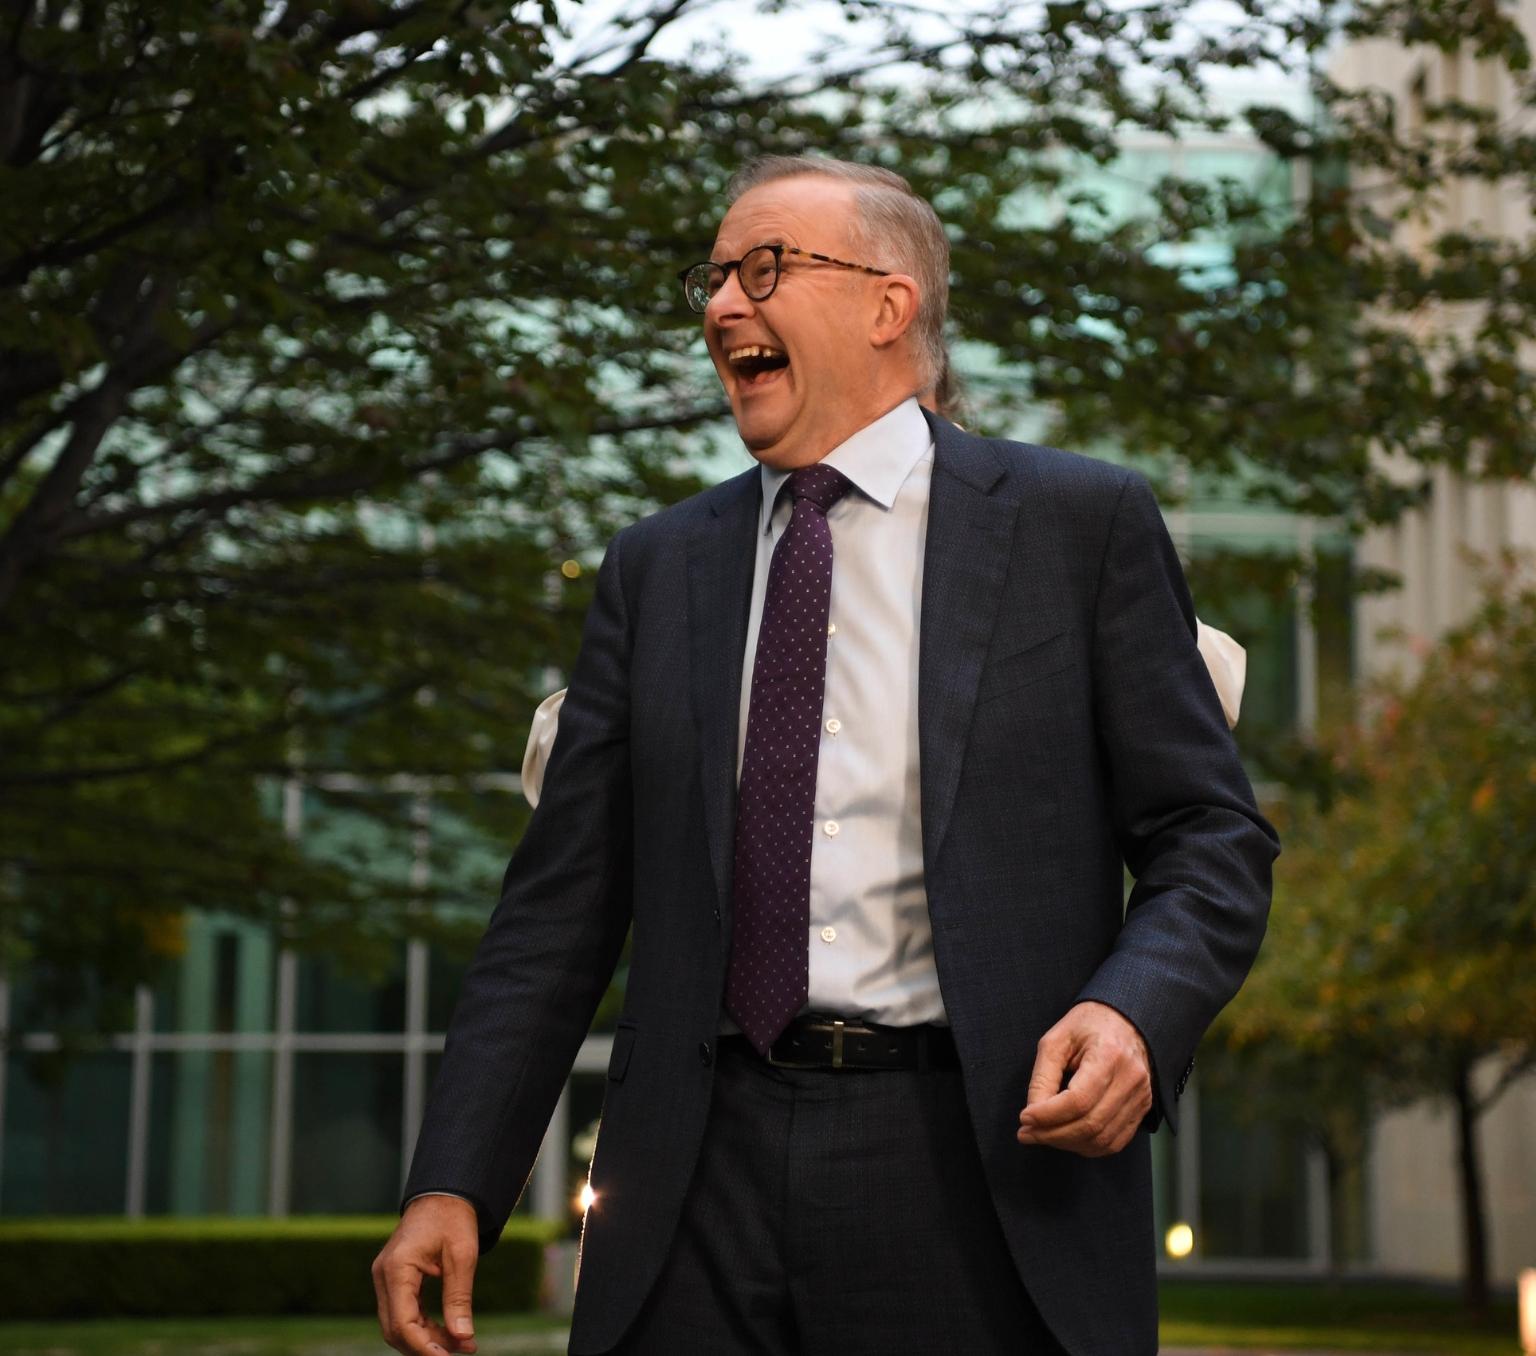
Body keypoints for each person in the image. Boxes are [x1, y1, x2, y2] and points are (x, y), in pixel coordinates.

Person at [373, 155, 1279, 1356]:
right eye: (712, 279)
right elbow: (558, 909)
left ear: (887, 304)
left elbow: (1210, 838)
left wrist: (1132, 1014)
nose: (719, 308)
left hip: (976, 1164)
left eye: (763, 270)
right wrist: (456, 1180)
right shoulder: (654, 570)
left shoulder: (1079, 525)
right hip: (693, 1175)